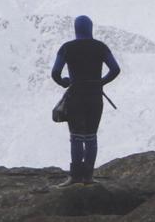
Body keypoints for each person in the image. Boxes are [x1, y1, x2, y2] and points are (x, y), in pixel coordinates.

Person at [52, 15, 121, 185]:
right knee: (91, 136)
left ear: (76, 28)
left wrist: (64, 82)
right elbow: (115, 69)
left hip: (75, 96)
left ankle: (75, 177)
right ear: (90, 28)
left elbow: (55, 73)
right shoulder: (100, 47)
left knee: (76, 136)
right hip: (95, 96)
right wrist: (100, 82)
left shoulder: (67, 48)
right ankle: (89, 176)